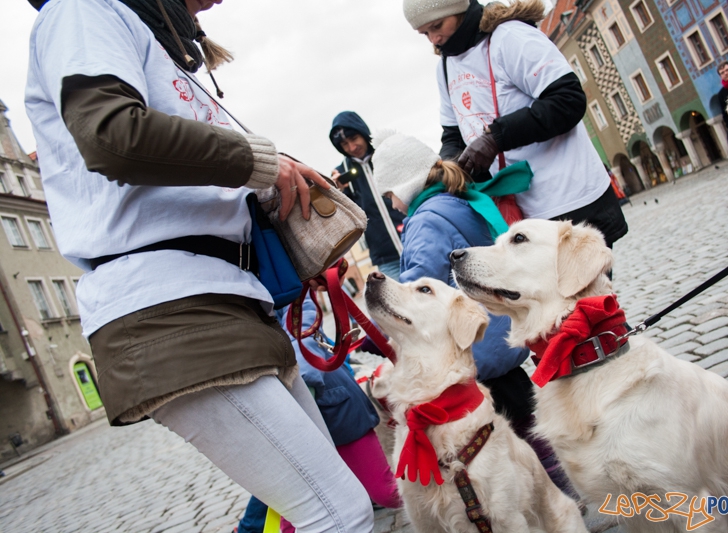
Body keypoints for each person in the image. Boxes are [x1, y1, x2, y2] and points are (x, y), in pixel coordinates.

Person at [24, 0, 373, 530]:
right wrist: (258, 162)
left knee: (303, 515)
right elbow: (113, 135)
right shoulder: (83, 8)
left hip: (226, 296)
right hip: (169, 305)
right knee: (337, 512)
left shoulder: (153, 37)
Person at [371, 131, 579, 499]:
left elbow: (419, 285)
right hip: (501, 340)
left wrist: (389, 310)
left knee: (507, 433)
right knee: (528, 422)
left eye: (390, 194)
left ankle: (550, 496)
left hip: (476, 350)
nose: (392, 204)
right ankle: (558, 490)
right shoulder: (458, 202)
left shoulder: (424, 221)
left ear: (405, 185)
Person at [403, 0, 627, 248]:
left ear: (458, 11)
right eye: (425, 34)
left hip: (570, 198)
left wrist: (495, 138)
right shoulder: (445, 67)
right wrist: (450, 168)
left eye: (437, 26)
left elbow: (568, 100)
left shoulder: (510, 37)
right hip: (520, 214)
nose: (434, 39)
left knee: (587, 287)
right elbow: (454, 134)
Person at [238, 297, 401, 533]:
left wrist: (301, 375)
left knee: (387, 492)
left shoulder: (271, 282)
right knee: (295, 517)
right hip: (278, 419)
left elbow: (301, 317)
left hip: (333, 406)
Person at [329, 113, 405, 281]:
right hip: (386, 257)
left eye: (354, 138)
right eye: (344, 144)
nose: (352, 147)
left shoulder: (387, 154)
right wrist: (338, 192)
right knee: (402, 307)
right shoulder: (342, 172)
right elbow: (345, 219)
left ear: (363, 132)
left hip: (417, 241)